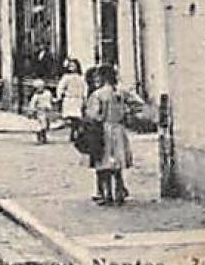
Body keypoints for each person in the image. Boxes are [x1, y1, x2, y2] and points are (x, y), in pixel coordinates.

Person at [85, 65, 143, 205]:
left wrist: (96, 117)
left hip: (103, 130)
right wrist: (127, 112)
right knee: (117, 163)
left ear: (102, 77)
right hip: (118, 129)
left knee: (104, 163)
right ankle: (119, 193)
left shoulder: (98, 94)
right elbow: (139, 104)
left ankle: (107, 194)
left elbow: (93, 114)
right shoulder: (121, 92)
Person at [56, 58, 88, 140]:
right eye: (70, 66)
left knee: (77, 117)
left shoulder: (81, 77)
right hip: (70, 99)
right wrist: (59, 95)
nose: (72, 68)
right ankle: (73, 132)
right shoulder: (66, 77)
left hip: (78, 99)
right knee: (70, 117)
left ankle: (75, 132)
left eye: (73, 66)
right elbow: (61, 87)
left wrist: (85, 97)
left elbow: (85, 87)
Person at [27, 79, 58, 144]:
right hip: (40, 111)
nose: (38, 89)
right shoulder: (36, 96)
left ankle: (44, 137)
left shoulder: (48, 93)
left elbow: (51, 100)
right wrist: (31, 111)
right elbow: (32, 104)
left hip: (48, 111)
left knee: (46, 125)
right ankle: (39, 138)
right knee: (40, 125)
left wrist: (56, 100)